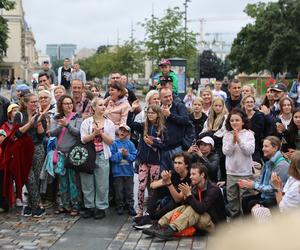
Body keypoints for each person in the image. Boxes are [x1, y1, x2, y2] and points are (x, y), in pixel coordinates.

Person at [145, 163, 226, 240]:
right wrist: (186, 196)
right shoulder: (194, 186)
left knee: (192, 210)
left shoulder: (213, 189)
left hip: (216, 226)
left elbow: (201, 209)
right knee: (184, 207)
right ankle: (160, 224)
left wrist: (189, 195)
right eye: (190, 174)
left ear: (202, 175)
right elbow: (186, 205)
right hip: (202, 219)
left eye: (194, 174)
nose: (190, 177)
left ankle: (171, 229)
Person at [127, 104, 166, 218]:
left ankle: (151, 210)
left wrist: (153, 143)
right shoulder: (144, 125)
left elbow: (164, 145)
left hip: (155, 162)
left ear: (158, 114)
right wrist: (131, 111)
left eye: (153, 113)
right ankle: (139, 210)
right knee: (141, 186)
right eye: (148, 112)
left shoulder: (162, 129)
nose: (150, 115)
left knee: (153, 187)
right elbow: (130, 124)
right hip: (144, 161)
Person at [134, 152, 191, 229]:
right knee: (159, 189)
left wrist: (169, 183)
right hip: (171, 198)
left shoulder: (189, 177)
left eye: (180, 163)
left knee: (172, 204)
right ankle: (147, 216)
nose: (177, 166)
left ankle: (151, 219)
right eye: (175, 163)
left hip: (182, 204)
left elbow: (178, 199)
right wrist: (164, 181)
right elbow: (152, 185)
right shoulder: (174, 173)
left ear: (186, 165)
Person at [80, 97, 115, 219]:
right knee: (87, 183)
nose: (103, 107)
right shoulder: (87, 122)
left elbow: (111, 141)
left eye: (104, 105)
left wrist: (101, 134)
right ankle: (89, 206)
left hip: (102, 155)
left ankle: (101, 207)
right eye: (100, 105)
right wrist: (93, 134)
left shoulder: (109, 123)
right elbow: (83, 139)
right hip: (89, 155)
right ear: (93, 108)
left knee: (102, 184)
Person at [14, 93, 47, 217]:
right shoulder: (19, 115)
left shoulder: (41, 116)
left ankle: (29, 204)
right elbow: (17, 133)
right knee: (29, 178)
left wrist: (38, 123)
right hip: (23, 149)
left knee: (36, 178)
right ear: (26, 103)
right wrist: (30, 123)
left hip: (37, 148)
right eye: (32, 102)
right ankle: (38, 205)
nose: (35, 104)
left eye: (36, 101)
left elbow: (42, 136)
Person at [49, 95, 82, 216]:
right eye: (65, 104)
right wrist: (59, 126)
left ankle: (75, 205)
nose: (68, 106)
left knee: (73, 181)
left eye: (70, 103)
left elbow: (78, 133)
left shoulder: (77, 117)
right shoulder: (57, 118)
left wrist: (67, 125)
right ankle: (64, 204)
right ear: (61, 106)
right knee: (62, 181)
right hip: (60, 154)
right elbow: (51, 133)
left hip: (72, 154)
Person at [239, 136, 289, 215]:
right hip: (265, 196)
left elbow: (274, 189)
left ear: (275, 148)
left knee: (249, 203)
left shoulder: (282, 165)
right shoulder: (268, 162)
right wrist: (249, 184)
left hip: (275, 199)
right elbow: (260, 180)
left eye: (266, 146)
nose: (263, 149)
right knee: (245, 200)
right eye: (263, 146)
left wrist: (253, 185)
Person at [222, 108, 255, 217]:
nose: (234, 123)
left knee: (245, 200)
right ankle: (235, 224)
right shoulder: (227, 135)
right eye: (232, 120)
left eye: (237, 120)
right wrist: (233, 141)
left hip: (245, 173)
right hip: (231, 173)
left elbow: (249, 151)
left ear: (243, 121)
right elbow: (226, 151)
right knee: (232, 200)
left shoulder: (249, 134)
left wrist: (239, 140)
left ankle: (245, 226)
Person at [159, 88, 189, 171]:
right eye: (165, 97)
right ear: (160, 98)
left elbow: (185, 121)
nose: (169, 98)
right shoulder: (158, 109)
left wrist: (170, 115)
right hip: (162, 149)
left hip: (176, 148)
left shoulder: (179, 106)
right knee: (163, 176)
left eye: (170, 96)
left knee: (177, 174)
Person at [110, 124, 137, 216]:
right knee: (119, 191)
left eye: (124, 131)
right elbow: (112, 158)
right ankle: (119, 206)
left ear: (128, 133)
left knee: (129, 191)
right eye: (121, 130)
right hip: (117, 173)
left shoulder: (130, 144)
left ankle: (130, 206)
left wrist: (127, 155)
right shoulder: (114, 143)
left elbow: (133, 157)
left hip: (128, 173)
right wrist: (120, 154)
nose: (122, 132)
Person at [242, 95, 265, 163]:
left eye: (252, 102)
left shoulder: (259, 115)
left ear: (254, 103)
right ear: (243, 104)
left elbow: (257, 133)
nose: (250, 104)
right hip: (242, 144)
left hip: (255, 145)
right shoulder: (241, 115)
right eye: (247, 102)